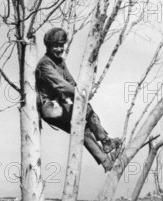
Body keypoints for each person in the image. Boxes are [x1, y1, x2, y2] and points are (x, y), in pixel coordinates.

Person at [36, 27, 121, 172]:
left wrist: (82, 91)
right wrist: (80, 96)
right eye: (55, 46)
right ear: (48, 46)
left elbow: (71, 82)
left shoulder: (60, 62)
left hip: (58, 105)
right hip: (49, 108)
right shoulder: (45, 64)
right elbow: (61, 85)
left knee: (82, 128)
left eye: (61, 46)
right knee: (84, 109)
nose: (58, 49)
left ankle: (106, 161)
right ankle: (106, 142)